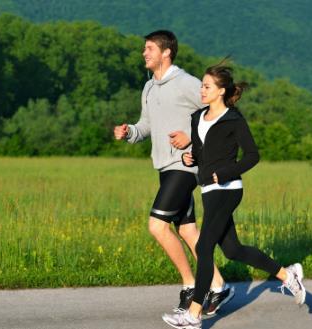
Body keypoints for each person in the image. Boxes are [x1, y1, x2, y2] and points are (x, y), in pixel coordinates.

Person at [162, 61, 306, 329]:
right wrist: (190, 157)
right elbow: (204, 155)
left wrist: (228, 172)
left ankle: (193, 315)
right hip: (208, 189)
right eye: (202, 86)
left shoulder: (233, 119)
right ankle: (288, 275)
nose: (201, 90)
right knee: (232, 250)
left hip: (228, 190)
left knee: (204, 247)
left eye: (206, 86)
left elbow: (252, 155)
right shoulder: (197, 118)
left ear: (220, 91)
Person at [113, 30, 232, 314]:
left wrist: (192, 139)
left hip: (185, 166)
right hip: (164, 167)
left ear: (166, 52)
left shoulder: (187, 83)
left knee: (157, 226)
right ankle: (218, 285)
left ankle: (191, 284)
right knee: (188, 230)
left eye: (150, 48)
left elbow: (218, 114)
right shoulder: (149, 88)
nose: (144, 53)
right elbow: (146, 126)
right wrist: (130, 131)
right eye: (145, 48)